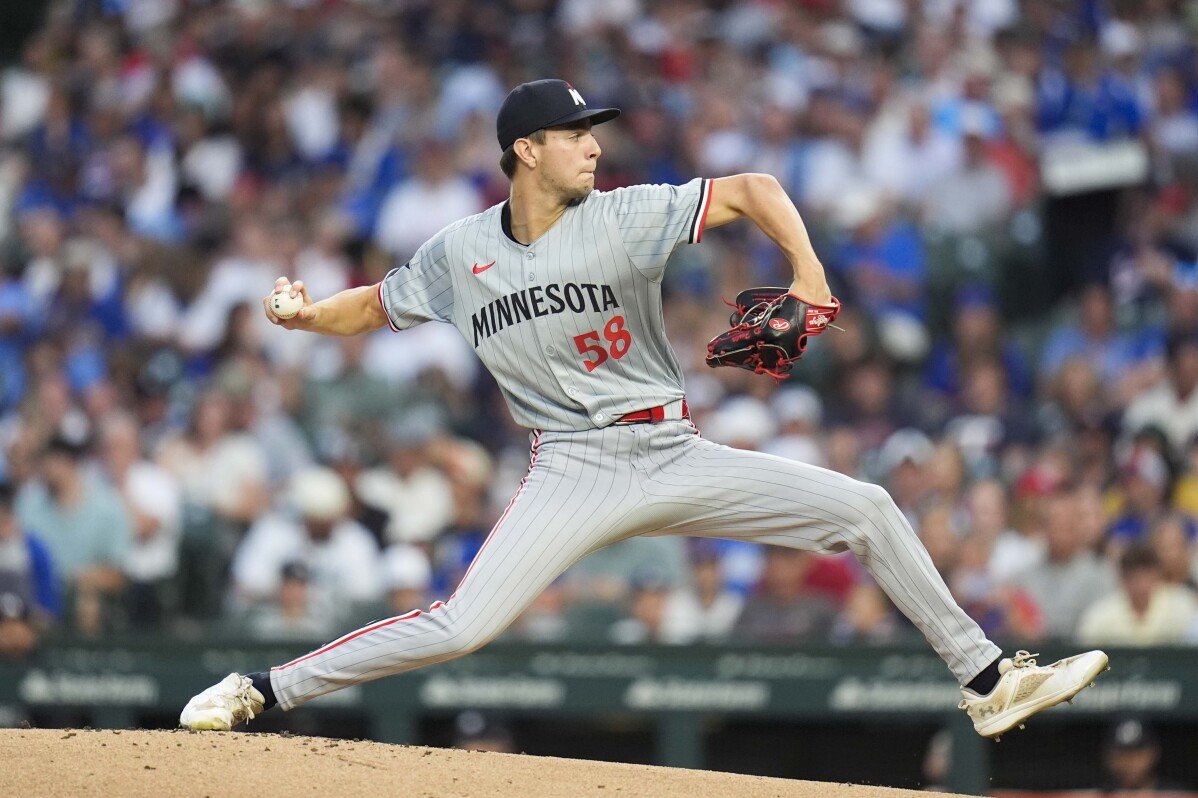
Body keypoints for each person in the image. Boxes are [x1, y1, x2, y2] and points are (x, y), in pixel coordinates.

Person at [180, 78, 1108, 740]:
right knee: (460, 626)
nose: (595, 144)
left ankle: (987, 680)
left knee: (866, 508)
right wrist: (305, 317)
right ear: (525, 151)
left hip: (671, 449)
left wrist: (810, 273)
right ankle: (261, 690)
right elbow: (376, 305)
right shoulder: (457, 252)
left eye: (597, 131)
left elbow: (754, 189)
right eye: (577, 133)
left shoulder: (622, 215)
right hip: (570, 468)